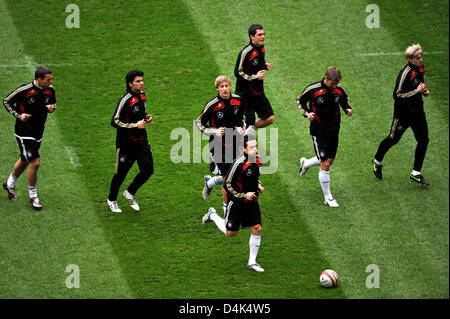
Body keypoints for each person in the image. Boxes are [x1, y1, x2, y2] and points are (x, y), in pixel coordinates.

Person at [202, 135, 265, 272]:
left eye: (256, 146)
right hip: (237, 203)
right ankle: (212, 215)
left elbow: (252, 178)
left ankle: (252, 262)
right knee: (230, 233)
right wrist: (243, 195)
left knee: (257, 228)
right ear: (244, 149)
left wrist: (258, 185)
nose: (255, 149)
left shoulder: (256, 161)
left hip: (252, 201)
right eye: (252, 147)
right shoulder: (238, 164)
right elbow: (228, 185)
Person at [372, 44, 430, 185]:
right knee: (393, 139)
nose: (420, 59)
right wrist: (417, 91)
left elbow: (418, 85)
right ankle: (377, 161)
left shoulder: (420, 69)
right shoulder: (405, 73)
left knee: (424, 140)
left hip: (417, 113)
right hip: (403, 114)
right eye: (417, 58)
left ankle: (416, 173)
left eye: (421, 56)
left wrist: (423, 91)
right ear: (409, 59)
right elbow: (397, 95)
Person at [297, 66, 353, 207]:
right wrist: (307, 113)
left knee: (330, 159)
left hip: (334, 129)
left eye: (336, 84)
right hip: (318, 130)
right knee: (325, 162)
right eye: (332, 83)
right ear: (326, 78)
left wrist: (347, 108)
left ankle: (306, 163)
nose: (334, 86)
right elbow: (300, 101)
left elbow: (343, 100)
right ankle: (327, 197)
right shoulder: (314, 89)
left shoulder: (338, 89)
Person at [2, 66, 57, 210]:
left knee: (25, 159)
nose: (51, 81)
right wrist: (19, 115)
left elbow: (54, 102)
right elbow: (6, 101)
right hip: (23, 131)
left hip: (38, 131)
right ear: (39, 79)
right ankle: (33, 196)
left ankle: (9, 184)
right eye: (48, 79)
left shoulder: (50, 90)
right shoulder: (24, 90)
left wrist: (52, 107)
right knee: (35, 162)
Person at [195, 76, 245, 216]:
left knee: (234, 175)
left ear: (230, 86)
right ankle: (225, 211)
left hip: (234, 143)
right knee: (229, 178)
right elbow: (199, 123)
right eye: (221, 86)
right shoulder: (212, 105)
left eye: (226, 86)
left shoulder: (238, 101)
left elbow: (243, 117)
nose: (224, 89)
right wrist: (214, 131)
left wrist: (242, 127)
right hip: (217, 146)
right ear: (217, 88)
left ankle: (210, 183)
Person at [107, 70, 154, 213]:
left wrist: (146, 117)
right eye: (138, 81)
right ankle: (112, 199)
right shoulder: (125, 100)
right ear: (130, 83)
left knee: (148, 169)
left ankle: (130, 192)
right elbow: (114, 121)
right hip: (126, 144)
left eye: (142, 80)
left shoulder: (142, 96)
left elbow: (138, 113)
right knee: (120, 174)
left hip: (141, 141)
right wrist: (134, 125)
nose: (141, 83)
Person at [234, 24, 274, 135]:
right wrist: (255, 77)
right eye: (259, 35)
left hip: (258, 92)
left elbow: (256, 64)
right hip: (246, 94)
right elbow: (238, 72)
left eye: (264, 34)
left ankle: (247, 133)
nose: (263, 37)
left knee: (270, 118)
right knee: (243, 124)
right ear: (252, 37)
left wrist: (264, 65)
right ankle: (241, 141)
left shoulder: (261, 48)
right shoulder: (246, 52)